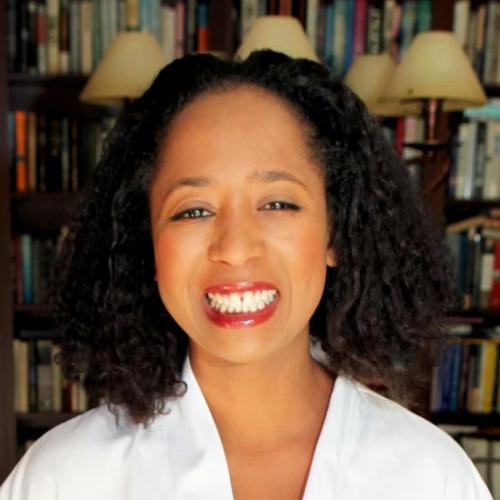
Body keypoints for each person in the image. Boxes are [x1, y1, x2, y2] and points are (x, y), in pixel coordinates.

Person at [0, 50, 492, 500]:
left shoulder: (430, 477)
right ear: (145, 243)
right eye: (192, 211)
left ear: (335, 234)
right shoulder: (61, 479)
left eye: (278, 203)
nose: (235, 249)